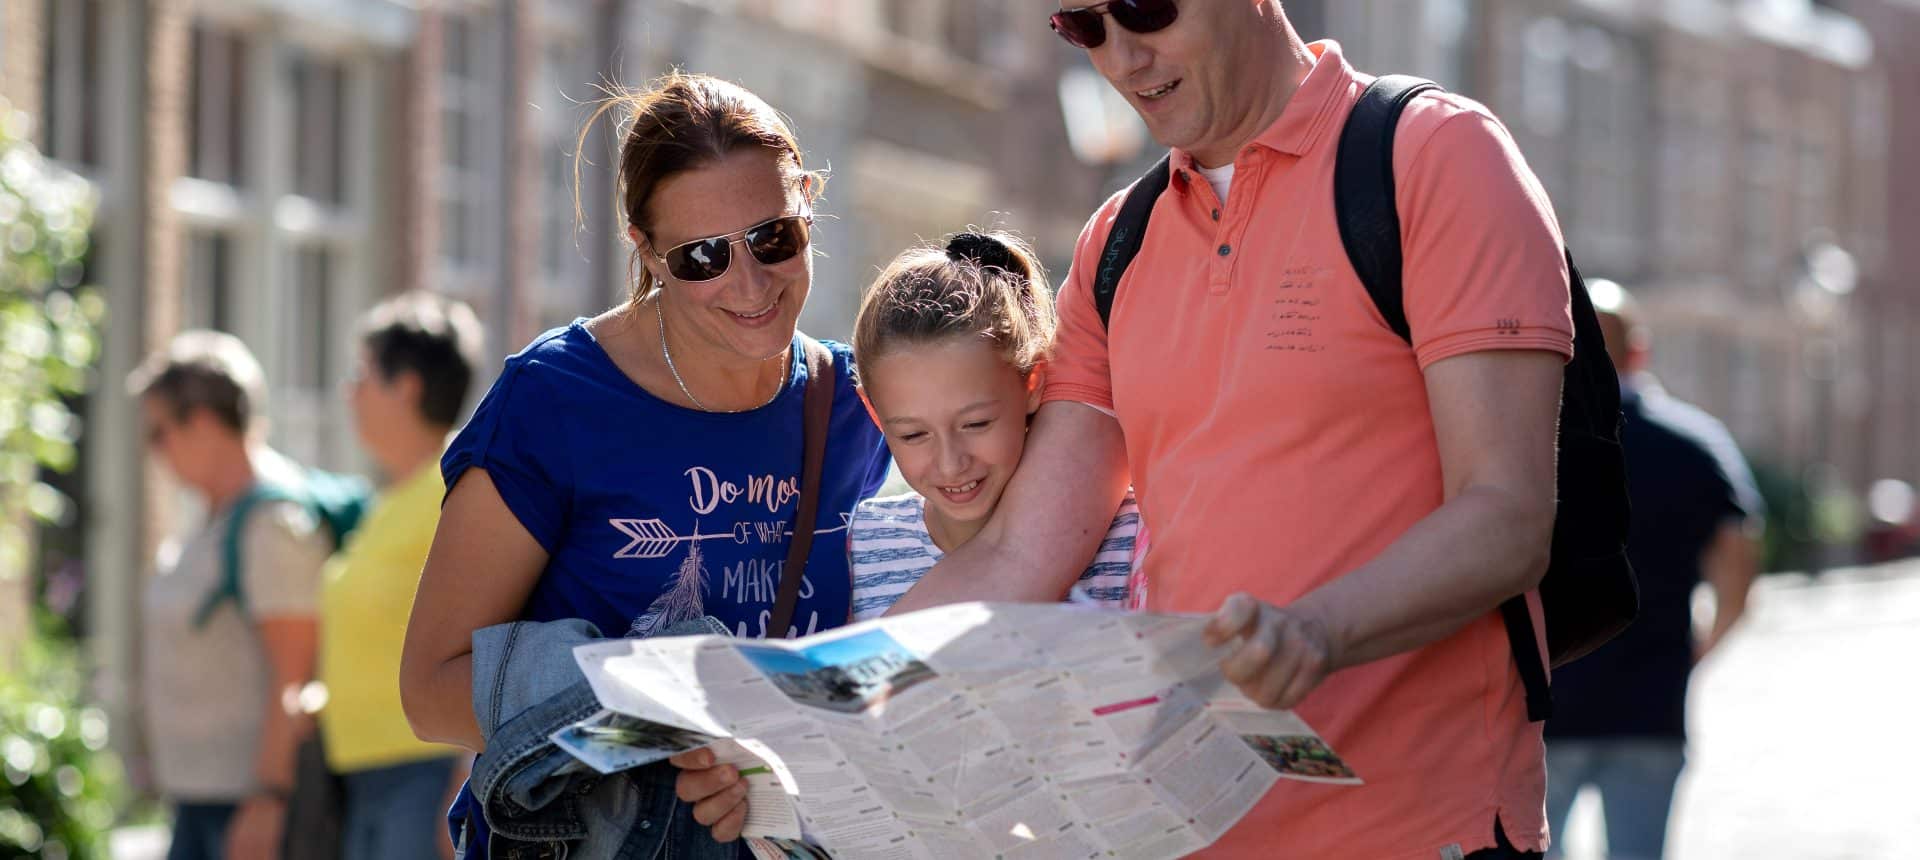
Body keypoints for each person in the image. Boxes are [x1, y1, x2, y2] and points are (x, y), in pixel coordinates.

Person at [876, 2, 1573, 857]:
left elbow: (1506, 516)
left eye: (1144, 9)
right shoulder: (1117, 241)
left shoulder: (1435, 155)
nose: (1124, 57)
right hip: (1182, 832)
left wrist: (1316, 630)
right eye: (1085, 27)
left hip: (1421, 827)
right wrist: (800, 715)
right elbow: (1019, 554)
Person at [397, 72, 890, 857]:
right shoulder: (555, 400)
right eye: (702, 257)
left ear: (807, 206)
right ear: (647, 252)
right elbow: (429, 690)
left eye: (774, 237)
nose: (751, 282)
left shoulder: (867, 407)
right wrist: (672, 726)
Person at [1543, 281, 1764, 860]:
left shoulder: (1529, 443)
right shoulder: (1697, 444)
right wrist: (1695, 654)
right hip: (1650, 704)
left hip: (1544, 706)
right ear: (1639, 352)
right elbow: (1739, 579)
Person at [847, 230, 1138, 620]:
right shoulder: (860, 547)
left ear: (1032, 383)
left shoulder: (1129, 534)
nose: (951, 464)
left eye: (976, 424)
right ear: (873, 411)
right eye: (914, 434)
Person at [130, 331, 331, 860]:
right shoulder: (212, 515)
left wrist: (268, 800)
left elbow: (294, 676)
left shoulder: (272, 522)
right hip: (198, 801)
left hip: (245, 810)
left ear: (202, 422)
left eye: (159, 431)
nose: (154, 450)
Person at [317, 292, 483, 860]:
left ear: (406, 386)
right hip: (371, 774)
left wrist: (466, 774)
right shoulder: (389, 499)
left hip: (424, 775)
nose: (349, 393)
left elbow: (490, 630)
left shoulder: (454, 490)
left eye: (361, 376)